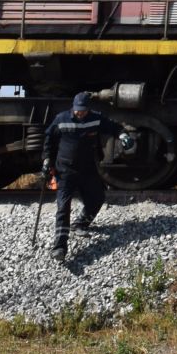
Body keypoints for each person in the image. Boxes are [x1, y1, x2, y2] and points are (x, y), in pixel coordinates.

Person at [41, 92, 122, 262]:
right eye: (77, 110)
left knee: (98, 197)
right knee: (63, 207)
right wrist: (47, 160)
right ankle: (59, 247)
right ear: (73, 107)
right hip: (65, 170)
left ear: (88, 109)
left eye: (83, 110)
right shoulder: (61, 119)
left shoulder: (95, 119)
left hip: (87, 169)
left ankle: (80, 223)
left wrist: (123, 135)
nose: (80, 113)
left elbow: (113, 126)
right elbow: (49, 138)